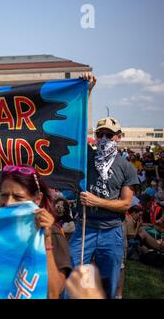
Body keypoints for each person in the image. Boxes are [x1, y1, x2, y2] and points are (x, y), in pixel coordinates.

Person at [69, 114, 138, 299]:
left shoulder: (127, 167)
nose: (105, 139)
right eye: (101, 134)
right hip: (85, 227)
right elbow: (75, 127)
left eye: (110, 134)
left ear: (119, 136)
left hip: (112, 231)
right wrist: (87, 89)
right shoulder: (86, 158)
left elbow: (125, 204)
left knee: (108, 282)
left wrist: (96, 201)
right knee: (72, 277)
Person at [0, 165, 71, 299]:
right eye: (4, 195)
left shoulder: (51, 232)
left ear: (37, 199)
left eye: (17, 197)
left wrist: (47, 240)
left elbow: (53, 293)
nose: (8, 203)